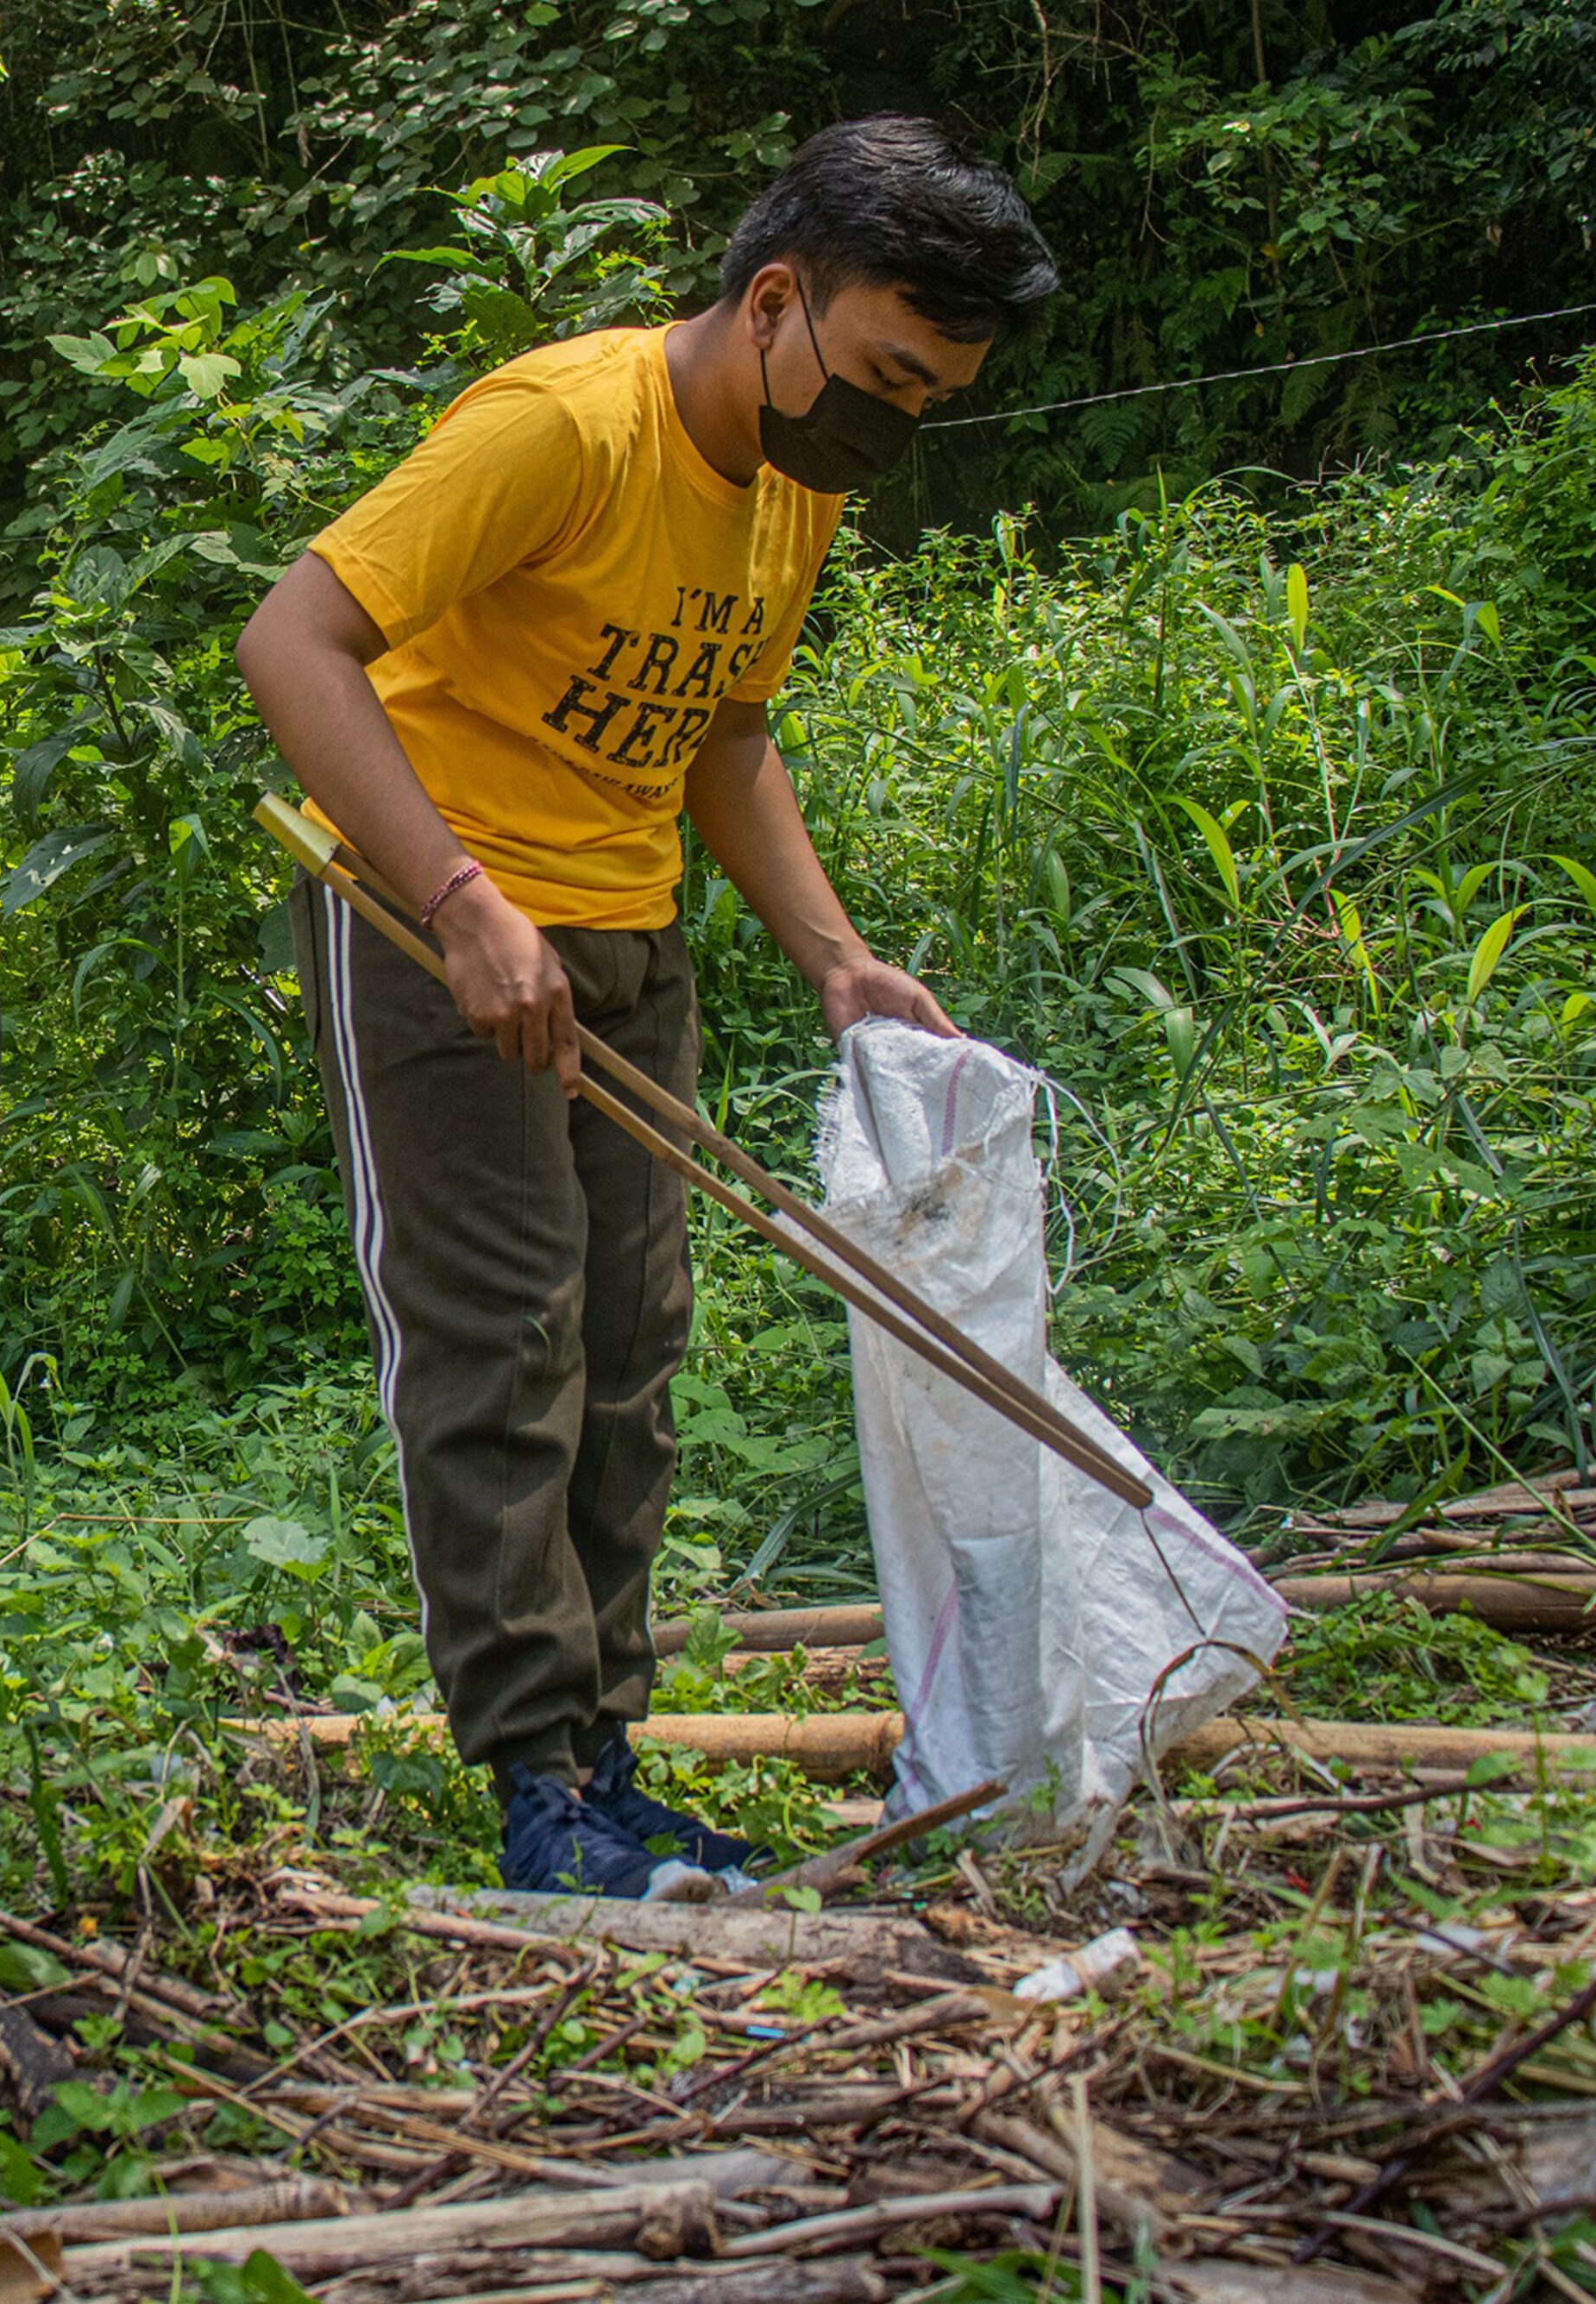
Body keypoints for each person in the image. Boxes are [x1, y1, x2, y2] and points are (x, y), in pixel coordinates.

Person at [236, 117, 1058, 1900]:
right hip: (430, 924)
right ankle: (535, 1788)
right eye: (885, 374)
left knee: (627, 1351)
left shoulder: (794, 471)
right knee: (502, 1346)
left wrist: (831, 956)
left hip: (624, 934)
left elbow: (727, 733)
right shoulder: (560, 430)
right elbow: (288, 642)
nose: (892, 423)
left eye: (931, 395)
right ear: (775, 300)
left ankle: (606, 1759)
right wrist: (457, 902)